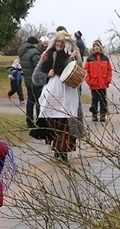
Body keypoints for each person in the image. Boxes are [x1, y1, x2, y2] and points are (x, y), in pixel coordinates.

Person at [32, 30, 83, 161]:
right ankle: (57, 148)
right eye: (57, 42)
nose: (59, 44)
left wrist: (74, 59)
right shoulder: (47, 56)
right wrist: (46, 75)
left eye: (62, 42)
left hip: (68, 93)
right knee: (54, 122)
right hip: (52, 93)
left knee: (66, 122)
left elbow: (77, 71)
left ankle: (63, 152)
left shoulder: (71, 55)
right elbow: (35, 77)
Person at [84, 39, 113, 122]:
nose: (96, 47)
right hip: (94, 83)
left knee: (103, 99)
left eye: (97, 46)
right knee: (94, 99)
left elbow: (109, 70)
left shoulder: (105, 58)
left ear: (100, 47)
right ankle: (94, 114)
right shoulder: (90, 58)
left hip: (103, 83)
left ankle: (103, 114)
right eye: (94, 46)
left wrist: (108, 80)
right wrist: (89, 81)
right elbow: (86, 71)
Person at [18, 36, 43, 128]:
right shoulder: (34, 52)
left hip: (28, 81)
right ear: (34, 44)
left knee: (30, 102)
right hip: (36, 81)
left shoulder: (22, 53)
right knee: (39, 102)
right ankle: (39, 121)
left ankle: (29, 121)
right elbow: (39, 66)